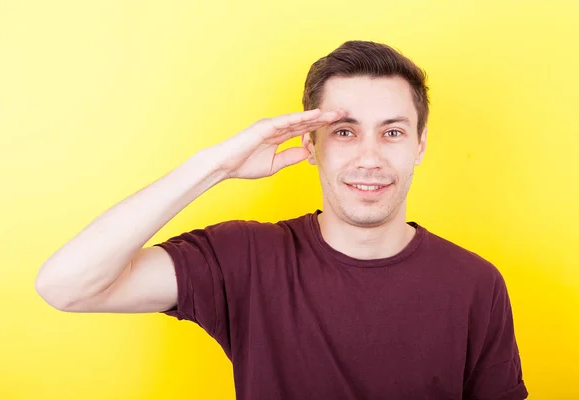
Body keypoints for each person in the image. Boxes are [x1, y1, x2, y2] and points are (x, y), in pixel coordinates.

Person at [35, 40, 528, 399]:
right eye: (345, 132)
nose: (370, 158)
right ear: (310, 146)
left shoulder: (475, 283)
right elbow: (66, 286)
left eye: (393, 132)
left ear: (419, 146)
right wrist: (216, 167)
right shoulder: (245, 260)